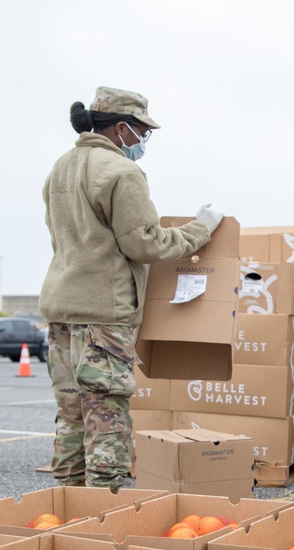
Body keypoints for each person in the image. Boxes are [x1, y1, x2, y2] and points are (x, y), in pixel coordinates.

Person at [39, 86, 224, 491]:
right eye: (142, 131)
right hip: (103, 315)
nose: (143, 141)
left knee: (71, 415)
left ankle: (63, 509)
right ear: (122, 129)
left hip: (61, 310)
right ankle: (104, 513)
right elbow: (145, 243)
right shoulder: (121, 171)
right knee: (106, 415)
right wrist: (200, 230)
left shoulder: (62, 167)